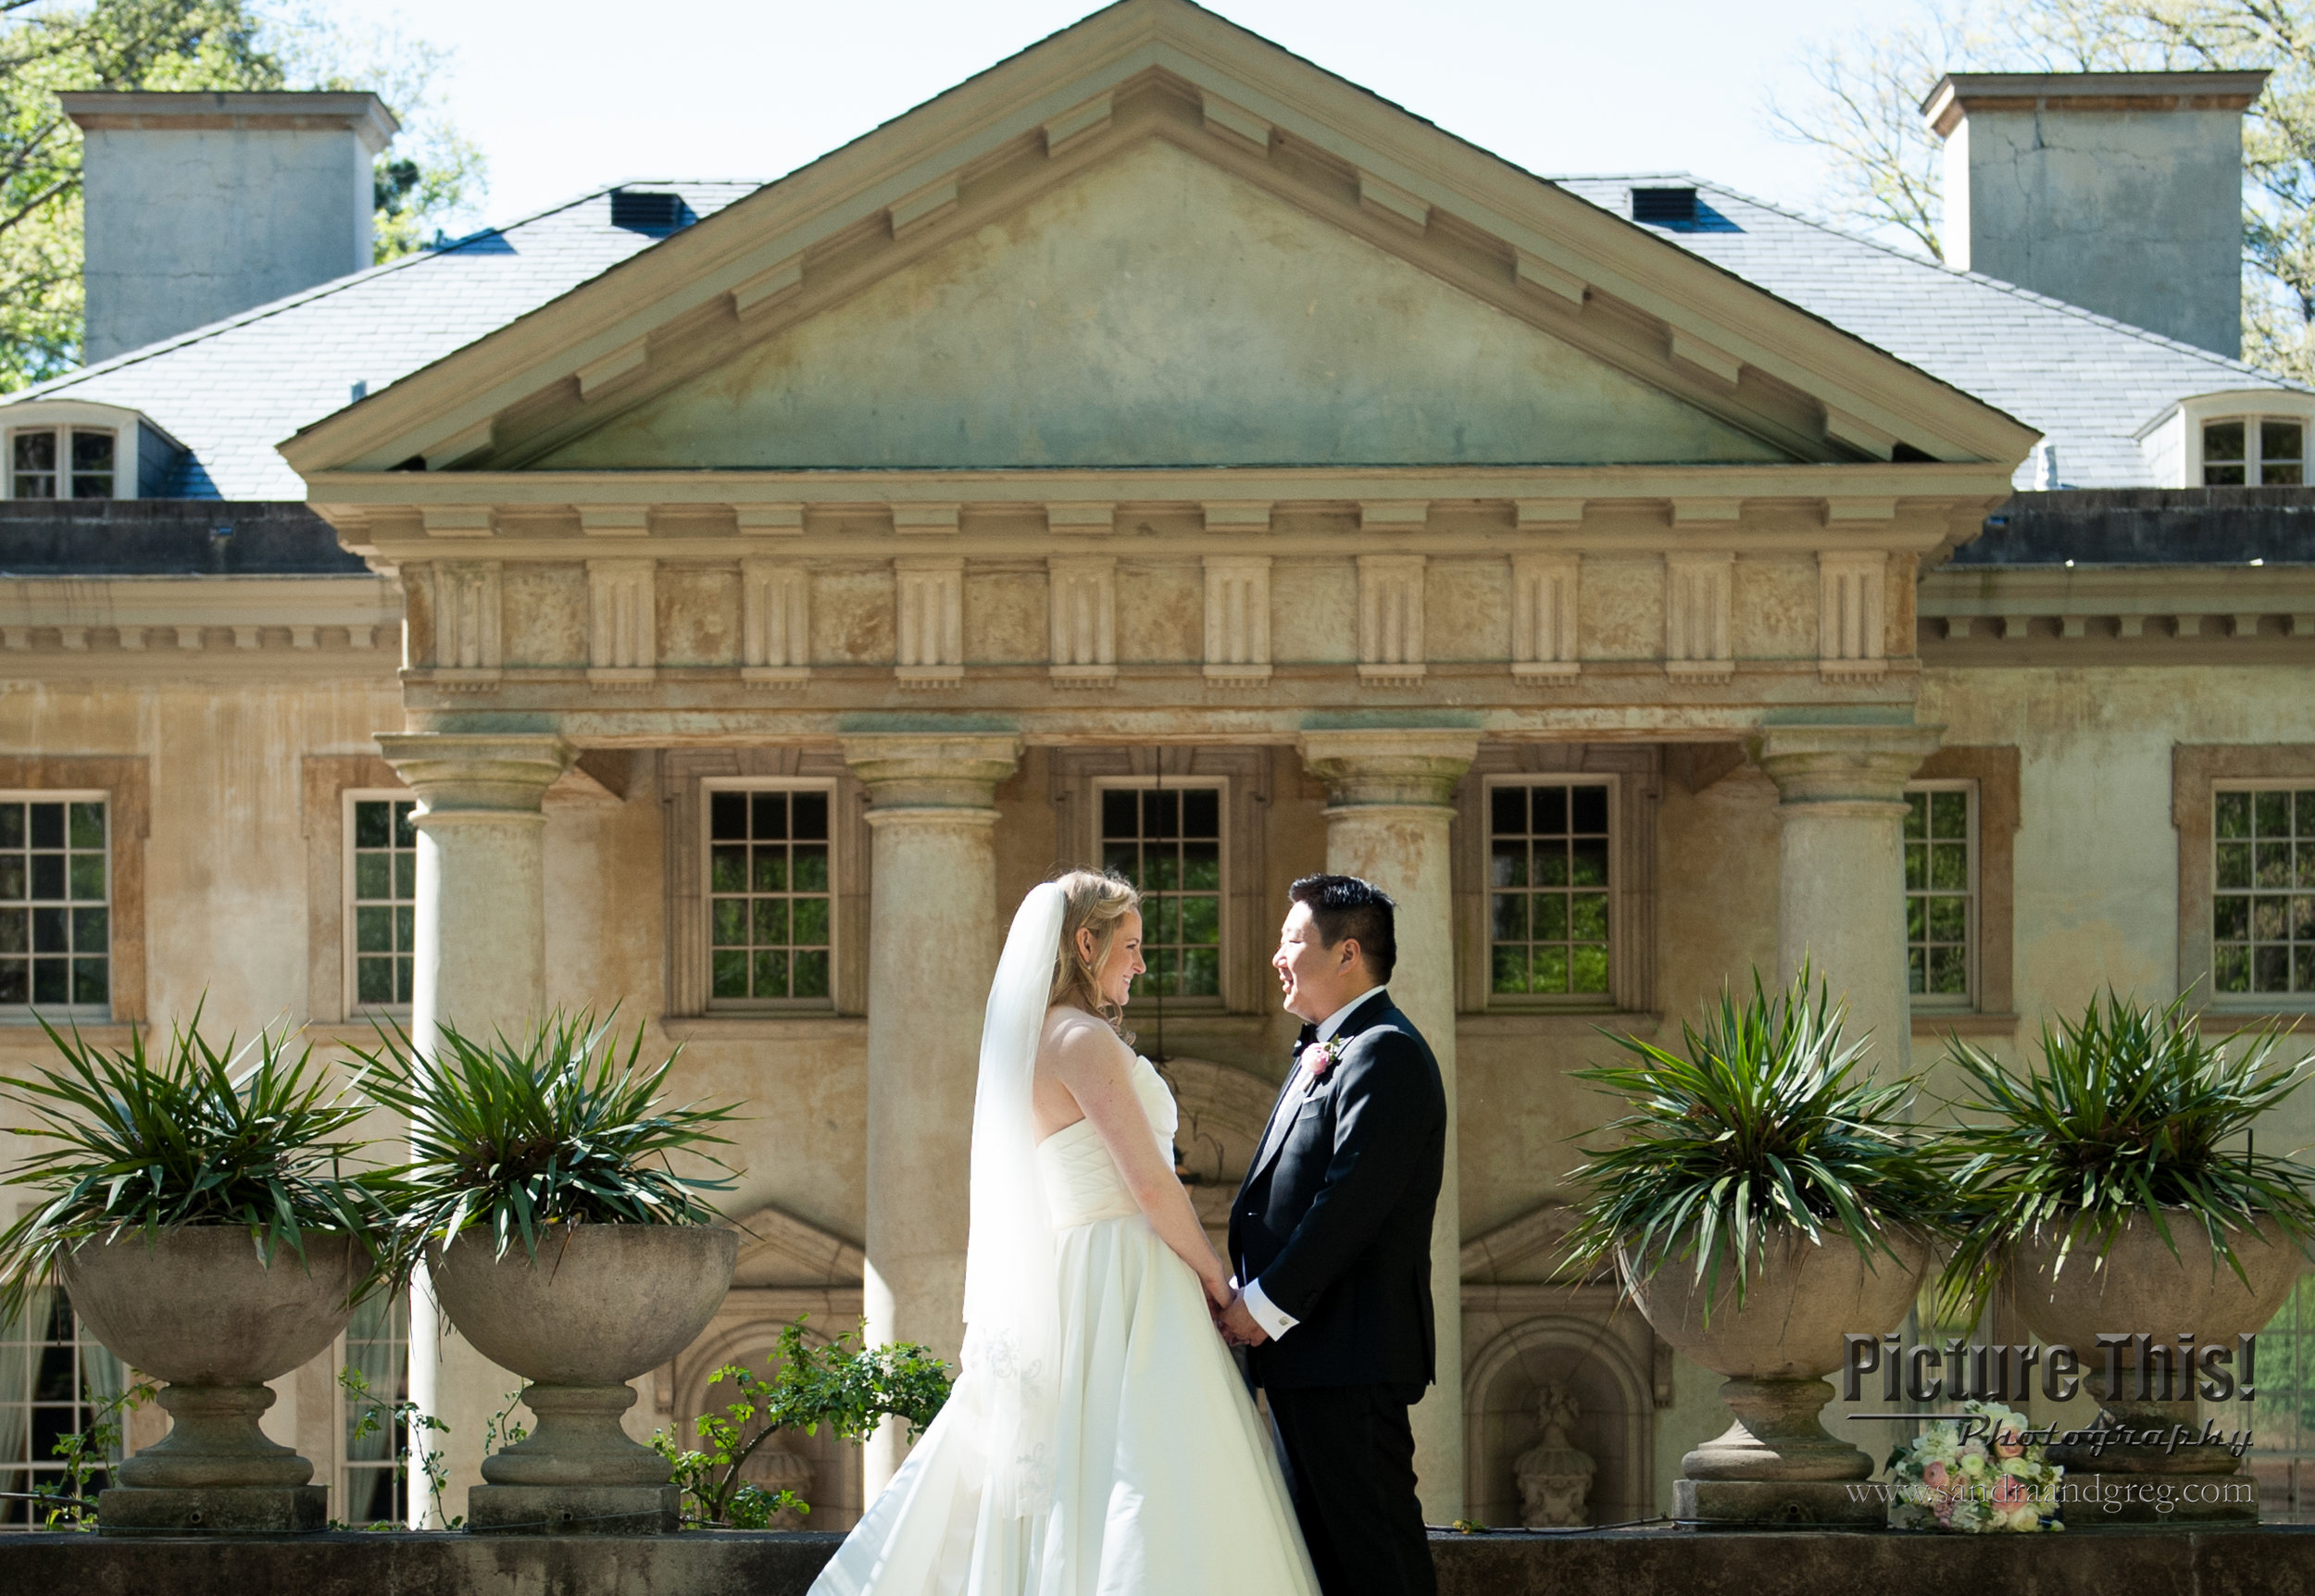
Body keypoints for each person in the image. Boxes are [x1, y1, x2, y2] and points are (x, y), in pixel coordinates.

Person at [808, 869, 1320, 1596]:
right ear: (1086, 942)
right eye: (1131, 946)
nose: (1142, 964)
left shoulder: (1031, 1042)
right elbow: (1150, 1185)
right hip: (1127, 1269)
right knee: (1143, 1464)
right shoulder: (1083, 1040)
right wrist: (1214, 1277)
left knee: (1080, 1466)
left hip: (1074, 1268)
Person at [1218, 874, 1447, 1596]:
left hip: (1349, 1359)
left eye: (1292, 942)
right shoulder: (1324, 1048)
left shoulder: (1387, 1052)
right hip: (1306, 1361)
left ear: (1347, 953)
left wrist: (1264, 1302)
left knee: (1377, 1564)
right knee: (1326, 1568)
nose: (1278, 957)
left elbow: (1351, 1202)